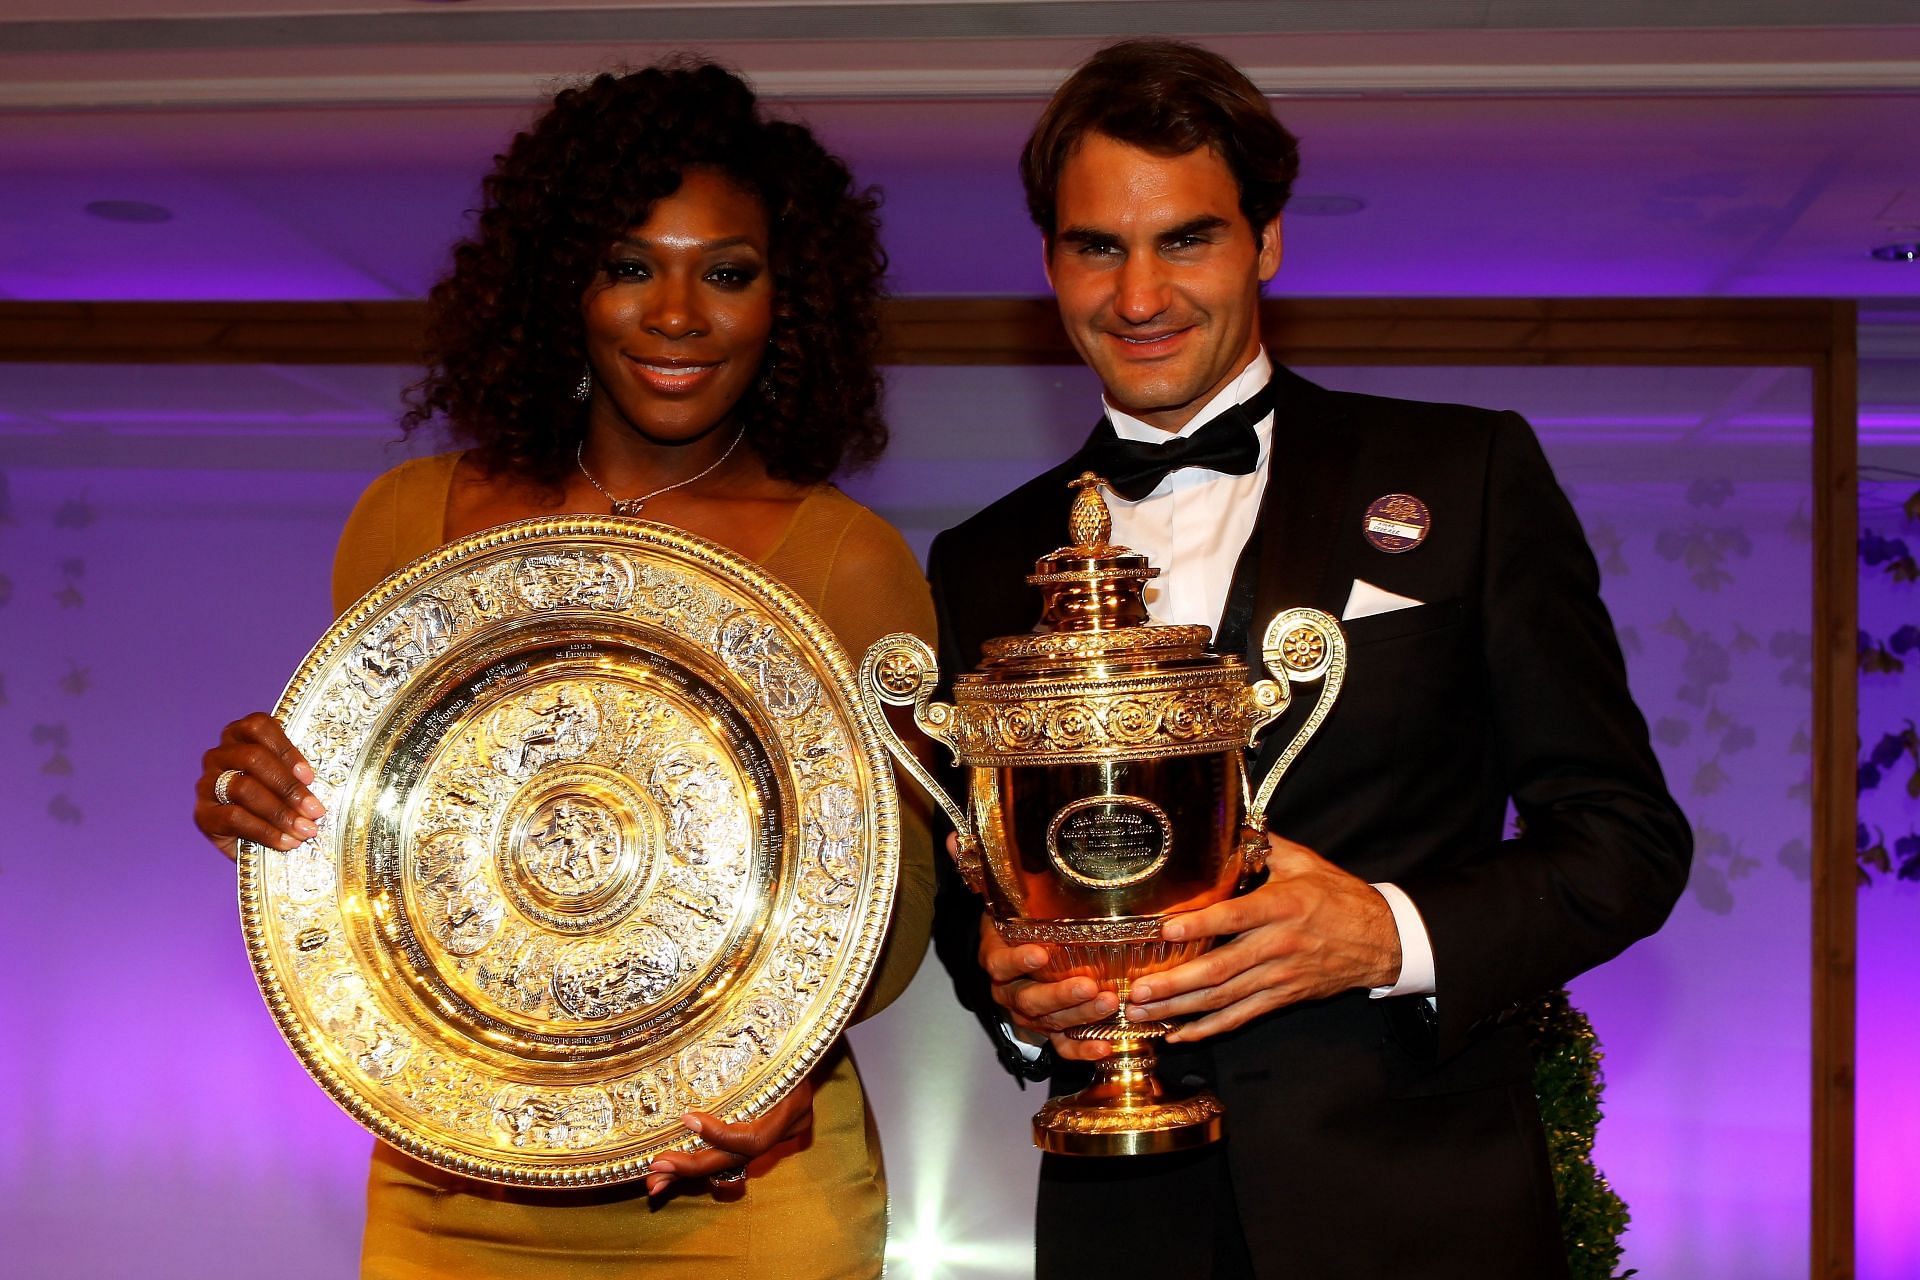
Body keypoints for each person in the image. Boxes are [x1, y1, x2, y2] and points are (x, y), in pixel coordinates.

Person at [926, 40, 1692, 1280]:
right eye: (1096, 247)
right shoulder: (980, 557)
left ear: (1266, 240)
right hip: (1124, 1225)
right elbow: (980, 878)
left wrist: (1388, 933)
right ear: (1050, 260)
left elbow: (1625, 840)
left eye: (1187, 239)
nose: (1138, 296)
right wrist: (1016, 994)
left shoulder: (1467, 475)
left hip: (1422, 1212)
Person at [191, 59, 932, 1280]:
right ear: (562, 284)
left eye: (728, 273)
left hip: (741, 1180)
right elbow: (367, 840)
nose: (678, 314)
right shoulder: (410, 522)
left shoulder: (846, 560)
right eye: (631, 264)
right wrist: (259, 805)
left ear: (787, 302)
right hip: (448, 1186)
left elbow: (893, 915)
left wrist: (784, 1065)